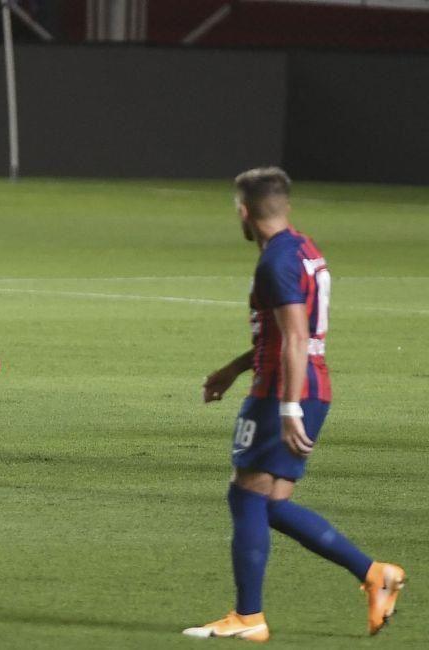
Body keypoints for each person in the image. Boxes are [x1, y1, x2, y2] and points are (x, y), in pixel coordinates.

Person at [183, 168, 405, 641]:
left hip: (284, 389)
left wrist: (287, 408)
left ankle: (249, 617)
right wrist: (233, 368)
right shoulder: (302, 248)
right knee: (273, 505)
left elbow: (296, 337)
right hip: (309, 384)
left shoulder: (276, 263)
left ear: (244, 212)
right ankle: (374, 574)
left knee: (244, 495)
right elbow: (285, 333)